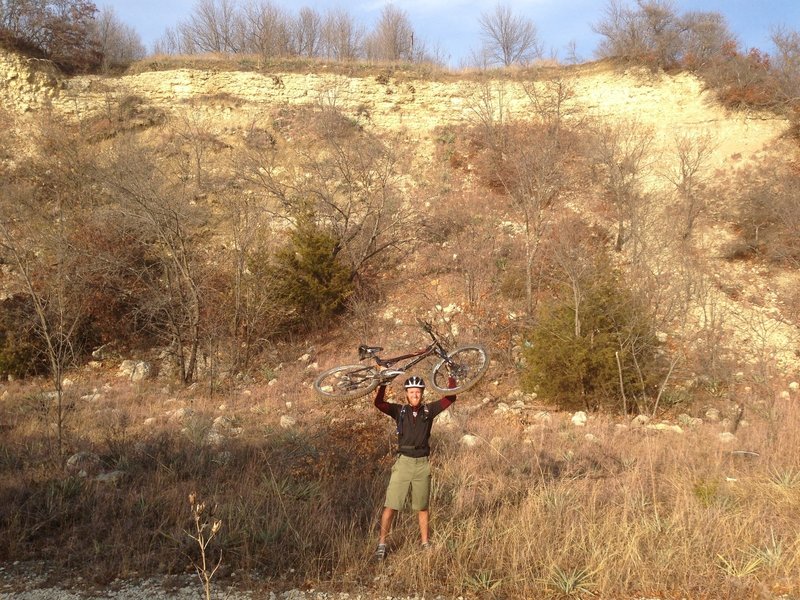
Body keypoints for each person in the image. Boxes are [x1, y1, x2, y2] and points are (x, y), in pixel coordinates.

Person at [372, 374, 456, 561]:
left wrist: (451, 376)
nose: (415, 395)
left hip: (422, 464)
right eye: (411, 392)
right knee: (391, 505)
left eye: (418, 392)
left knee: (422, 507)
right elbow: (379, 403)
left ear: (422, 393)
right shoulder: (399, 411)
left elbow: (451, 398)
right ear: (406, 394)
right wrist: (384, 384)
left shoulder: (429, 410)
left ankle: (425, 543)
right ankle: (382, 544)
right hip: (403, 463)